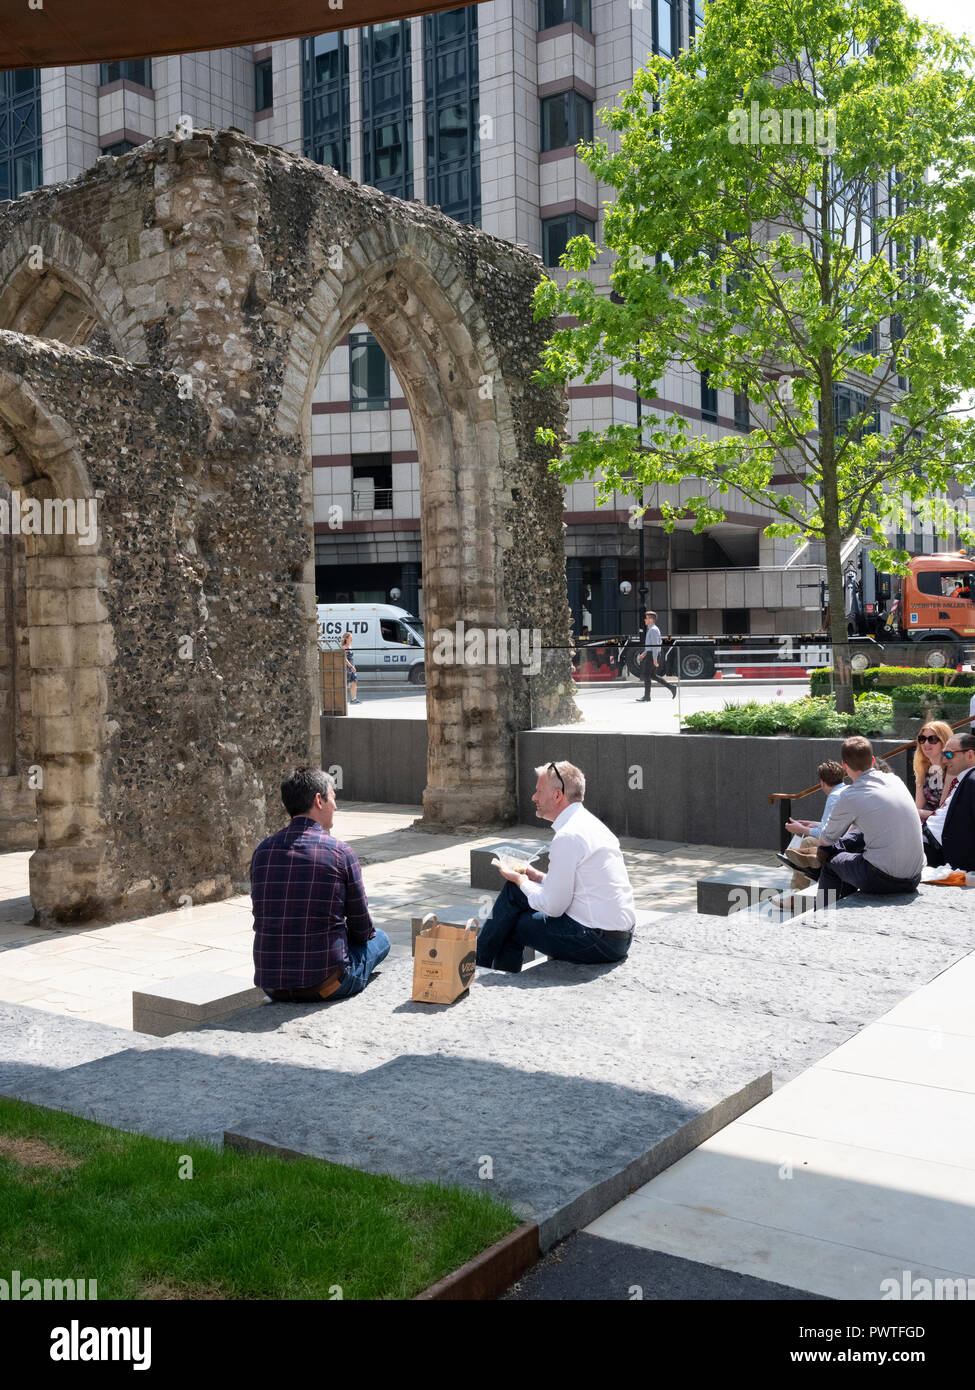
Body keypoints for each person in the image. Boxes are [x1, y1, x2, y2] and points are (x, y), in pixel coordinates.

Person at [475, 760, 637, 973]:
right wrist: (535, 876)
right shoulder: (591, 825)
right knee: (514, 892)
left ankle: (477, 968)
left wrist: (521, 880)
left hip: (597, 941)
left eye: (538, 791)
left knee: (511, 923)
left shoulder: (568, 836)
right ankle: (478, 963)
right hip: (617, 938)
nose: (533, 797)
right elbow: (573, 888)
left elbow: (554, 906)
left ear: (558, 795)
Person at [250, 766, 389, 1002]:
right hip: (326, 984)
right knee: (382, 939)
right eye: (333, 797)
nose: (336, 806)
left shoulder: (262, 851)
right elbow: (363, 929)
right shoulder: (340, 852)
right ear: (318, 800)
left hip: (272, 985)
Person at [810, 736, 924, 907]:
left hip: (885, 879)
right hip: (914, 876)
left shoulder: (850, 795)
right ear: (872, 760)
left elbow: (826, 839)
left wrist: (823, 849)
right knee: (859, 835)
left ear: (844, 765)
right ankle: (844, 904)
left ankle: (821, 917)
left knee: (830, 862)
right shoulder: (895, 780)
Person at [775, 760, 846, 891]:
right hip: (847, 839)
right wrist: (813, 824)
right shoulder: (846, 790)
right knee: (808, 843)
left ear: (822, 782)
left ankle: (798, 889)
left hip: (839, 843)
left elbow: (825, 833)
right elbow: (839, 825)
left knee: (807, 842)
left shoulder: (834, 797)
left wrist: (800, 829)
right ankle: (803, 870)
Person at [922, 732, 975, 873]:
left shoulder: (972, 780)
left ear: (970, 755)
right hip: (926, 838)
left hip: (934, 847)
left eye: (949, 755)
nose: (944, 760)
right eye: (943, 754)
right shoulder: (964, 777)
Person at [912, 721, 953, 822]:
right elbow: (918, 806)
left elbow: (944, 814)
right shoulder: (923, 768)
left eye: (932, 739)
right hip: (925, 824)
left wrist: (915, 812)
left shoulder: (952, 770)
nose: (926, 743)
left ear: (944, 742)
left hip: (942, 827)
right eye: (922, 739)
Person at [636, 609, 675, 701]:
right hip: (650, 654)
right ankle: (671, 687)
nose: (645, 620)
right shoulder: (651, 629)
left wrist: (654, 659)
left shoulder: (653, 630)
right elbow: (650, 646)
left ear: (651, 620)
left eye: (646, 618)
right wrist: (643, 654)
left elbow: (655, 646)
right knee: (652, 675)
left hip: (652, 655)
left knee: (646, 675)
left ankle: (647, 696)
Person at [339, 630, 359, 704]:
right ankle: (342, 700)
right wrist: (351, 667)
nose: (352, 639)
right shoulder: (344, 647)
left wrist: (353, 666)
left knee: (354, 682)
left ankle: (354, 699)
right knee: (346, 683)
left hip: (351, 665)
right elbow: (344, 659)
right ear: (346, 639)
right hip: (347, 667)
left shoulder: (350, 646)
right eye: (350, 638)